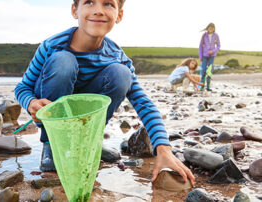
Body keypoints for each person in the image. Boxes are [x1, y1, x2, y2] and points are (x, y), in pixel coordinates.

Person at [14, 0, 195, 185]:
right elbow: (22, 88)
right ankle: (52, 146)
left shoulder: (117, 56)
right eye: (89, 2)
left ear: (119, 15)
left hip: (87, 112)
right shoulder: (51, 45)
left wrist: (164, 149)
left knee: (121, 74)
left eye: (108, 3)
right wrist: (30, 103)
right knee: (63, 60)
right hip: (55, 113)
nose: (98, 11)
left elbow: (144, 103)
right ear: (75, 10)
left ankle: (89, 142)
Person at [199, 23, 221, 91]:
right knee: (203, 70)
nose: (210, 29)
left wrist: (213, 51)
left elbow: (218, 46)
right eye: (209, 27)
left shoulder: (216, 35)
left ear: (214, 29)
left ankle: (208, 86)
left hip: (212, 56)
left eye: (212, 28)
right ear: (207, 28)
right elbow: (200, 46)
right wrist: (200, 56)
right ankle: (201, 86)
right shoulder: (204, 35)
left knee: (209, 70)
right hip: (204, 55)